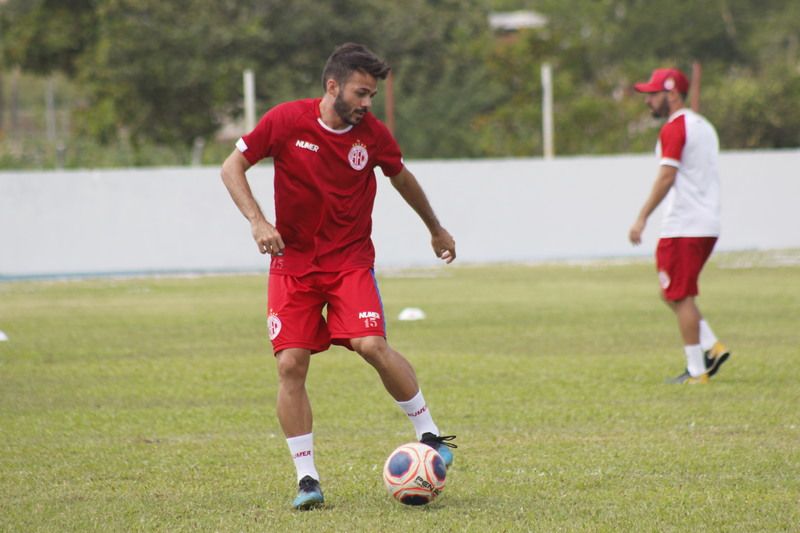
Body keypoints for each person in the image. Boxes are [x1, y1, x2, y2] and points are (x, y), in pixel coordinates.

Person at [220, 43, 457, 509]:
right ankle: (307, 480)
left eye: (371, 95)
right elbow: (232, 167)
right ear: (333, 86)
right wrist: (257, 221)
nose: (368, 103)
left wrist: (435, 227)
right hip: (293, 264)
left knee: (371, 344)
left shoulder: (372, 135)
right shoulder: (286, 121)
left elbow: (401, 177)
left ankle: (428, 434)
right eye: (362, 93)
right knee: (290, 365)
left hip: (349, 261)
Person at [628, 67, 731, 385]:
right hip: (706, 223)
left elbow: (667, 175)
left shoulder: (675, 129)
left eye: (653, 94)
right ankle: (711, 345)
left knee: (680, 295)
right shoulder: (704, 126)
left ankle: (697, 370)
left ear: (672, 94)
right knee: (672, 292)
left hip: (684, 225)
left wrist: (642, 216)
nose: (648, 101)